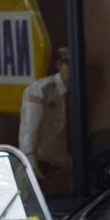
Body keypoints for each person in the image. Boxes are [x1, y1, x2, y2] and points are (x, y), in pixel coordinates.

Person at [19, 46, 71, 195]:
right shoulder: (42, 89)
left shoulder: (78, 90)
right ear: (60, 66)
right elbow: (30, 127)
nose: (71, 70)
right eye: (68, 65)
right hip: (42, 163)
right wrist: (30, 158)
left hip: (64, 163)